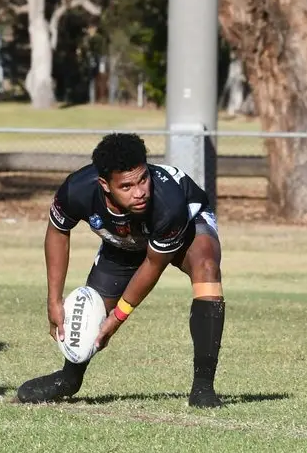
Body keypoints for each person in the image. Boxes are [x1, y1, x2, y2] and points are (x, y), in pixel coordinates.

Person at [15, 133, 227, 408]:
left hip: (186, 225)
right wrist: (53, 300)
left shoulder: (168, 202)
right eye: (126, 186)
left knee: (207, 268)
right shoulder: (77, 189)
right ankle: (70, 378)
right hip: (124, 239)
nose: (139, 192)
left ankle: (203, 388)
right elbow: (58, 231)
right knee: (93, 308)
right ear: (104, 184)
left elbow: (153, 264)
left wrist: (118, 317)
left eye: (143, 179)